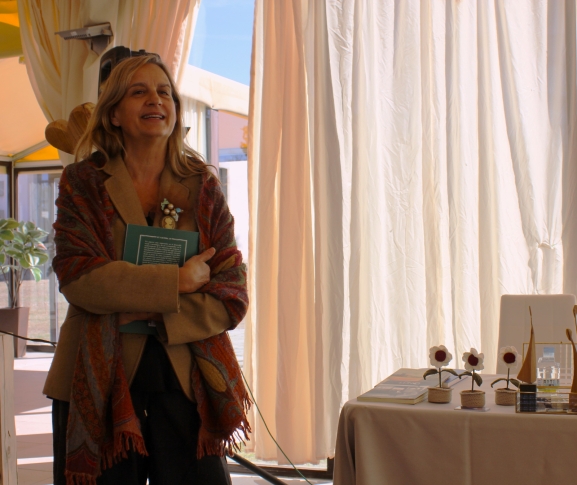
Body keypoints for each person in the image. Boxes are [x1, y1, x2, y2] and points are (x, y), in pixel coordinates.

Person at [43, 54, 250, 485]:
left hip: (188, 376)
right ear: (113, 113)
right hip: (96, 377)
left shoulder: (203, 185)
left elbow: (231, 292)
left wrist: (144, 311)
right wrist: (179, 282)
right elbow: (79, 277)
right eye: (139, 92)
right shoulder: (83, 182)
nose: (156, 100)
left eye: (164, 92)